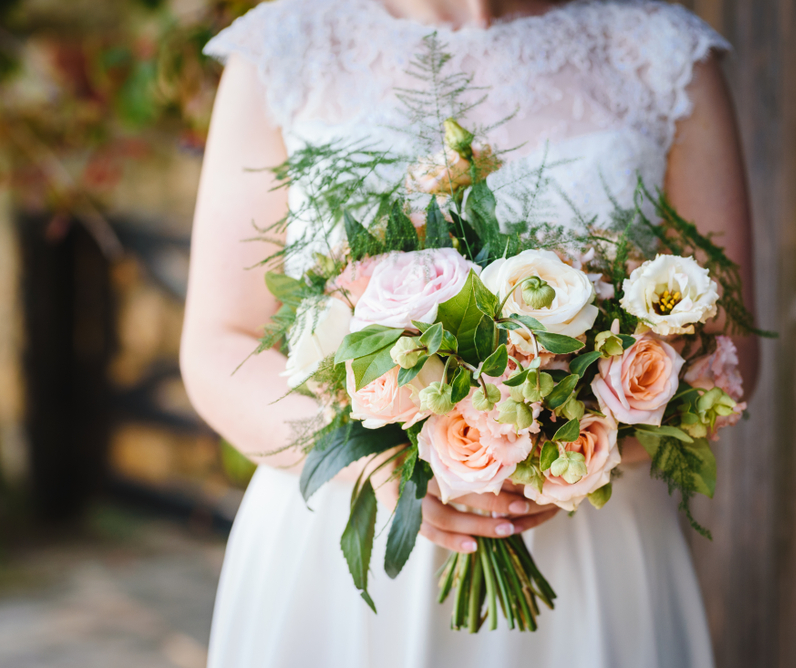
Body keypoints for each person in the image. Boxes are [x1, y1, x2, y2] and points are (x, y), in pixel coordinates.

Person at [180, 0, 758, 666]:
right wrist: (392, 464)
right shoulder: (283, 48)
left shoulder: (662, 54)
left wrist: (555, 456)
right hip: (351, 543)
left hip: (591, 545)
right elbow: (219, 345)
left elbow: (728, 348)